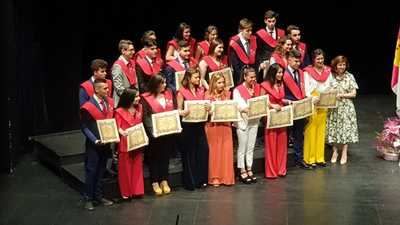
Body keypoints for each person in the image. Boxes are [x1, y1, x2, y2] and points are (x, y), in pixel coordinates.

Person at [80, 78, 115, 211]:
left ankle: (98, 196)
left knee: (101, 170)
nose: (108, 90)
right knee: (91, 171)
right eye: (105, 89)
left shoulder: (109, 103)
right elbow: (84, 127)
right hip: (94, 145)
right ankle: (88, 198)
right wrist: (95, 140)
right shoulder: (88, 106)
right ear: (97, 89)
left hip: (106, 143)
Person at [141, 75, 177, 195]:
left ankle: (164, 180)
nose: (165, 85)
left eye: (165, 82)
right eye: (162, 83)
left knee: (165, 157)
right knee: (154, 158)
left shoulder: (169, 94)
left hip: (167, 132)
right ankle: (155, 181)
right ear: (155, 85)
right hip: (154, 135)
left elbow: (174, 110)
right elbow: (146, 117)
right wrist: (153, 131)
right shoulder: (146, 98)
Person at [176, 68, 209, 190]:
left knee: (202, 151)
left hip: (200, 125)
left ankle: (201, 179)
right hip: (188, 127)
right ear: (189, 78)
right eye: (196, 77)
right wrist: (183, 112)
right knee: (190, 154)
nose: (198, 79)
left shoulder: (201, 90)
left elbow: (207, 104)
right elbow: (178, 110)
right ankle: (191, 182)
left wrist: (208, 107)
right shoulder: (181, 92)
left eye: (199, 77)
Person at [303, 49, 334, 167]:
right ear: (313, 60)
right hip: (313, 101)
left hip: (324, 100)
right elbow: (305, 89)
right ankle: (310, 158)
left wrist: (331, 92)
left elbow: (331, 84)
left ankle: (319, 157)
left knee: (321, 129)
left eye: (322, 58)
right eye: (318, 59)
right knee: (311, 129)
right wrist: (311, 97)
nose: (320, 61)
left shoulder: (327, 71)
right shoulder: (307, 72)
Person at [326, 55, 359, 165]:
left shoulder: (349, 76)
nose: (342, 67)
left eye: (344, 65)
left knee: (345, 130)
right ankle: (335, 151)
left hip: (346, 107)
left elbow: (354, 93)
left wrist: (342, 95)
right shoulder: (331, 77)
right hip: (334, 106)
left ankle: (344, 152)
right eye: (340, 64)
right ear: (335, 66)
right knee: (334, 129)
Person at [283, 49, 311, 169]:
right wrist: (287, 102)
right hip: (287, 107)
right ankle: (282, 162)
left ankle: (299, 159)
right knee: (285, 136)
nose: (298, 63)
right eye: (295, 61)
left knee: (299, 135)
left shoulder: (301, 73)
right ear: (288, 60)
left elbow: (303, 89)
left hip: (300, 107)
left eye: (299, 61)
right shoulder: (282, 74)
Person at [205, 73, 235, 186]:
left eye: (223, 82)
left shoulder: (227, 94)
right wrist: (209, 110)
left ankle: (226, 177)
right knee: (215, 152)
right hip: (213, 126)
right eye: (219, 83)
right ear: (213, 83)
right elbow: (206, 112)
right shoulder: (207, 95)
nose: (222, 85)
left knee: (226, 150)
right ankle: (215, 177)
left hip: (225, 125)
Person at [114, 88, 144, 200]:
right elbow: (117, 127)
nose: (138, 98)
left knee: (137, 166)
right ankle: (127, 193)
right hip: (125, 142)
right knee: (125, 168)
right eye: (136, 97)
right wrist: (122, 132)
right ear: (129, 98)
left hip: (137, 141)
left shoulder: (139, 108)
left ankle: (137, 191)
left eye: (138, 96)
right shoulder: (119, 111)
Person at [260, 63, 289, 178]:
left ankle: (281, 169)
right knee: (271, 144)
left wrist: (287, 102)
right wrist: (272, 105)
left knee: (282, 143)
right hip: (271, 117)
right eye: (278, 72)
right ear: (273, 73)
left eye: (282, 72)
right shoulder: (264, 85)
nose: (281, 75)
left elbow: (280, 98)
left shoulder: (281, 84)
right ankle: (271, 171)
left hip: (281, 116)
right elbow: (262, 100)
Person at [233, 66, 260, 184]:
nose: (253, 79)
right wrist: (247, 109)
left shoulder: (257, 88)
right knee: (242, 148)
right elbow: (238, 105)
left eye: (254, 77)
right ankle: (242, 170)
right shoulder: (237, 90)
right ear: (245, 77)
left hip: (254, 121)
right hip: (243, 122)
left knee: (250, 147)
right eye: (251, 77)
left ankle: (249, 168)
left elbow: (262, 101)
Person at [255, 10, 285, 82]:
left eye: (273, 21)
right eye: (269, 21)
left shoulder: (281, 32)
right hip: (266, 63)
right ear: (265, 21)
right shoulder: (259, 34)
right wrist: (260, 63)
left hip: (278, 62)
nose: (271, 23)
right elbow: (258, 51)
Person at [229, 18, 257, 85]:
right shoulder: (234, 42)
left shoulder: (253, 40)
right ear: (241, 30)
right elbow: (235, 65)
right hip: (240, 78)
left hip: (253, 77)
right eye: (247, 31)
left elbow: (256, 58)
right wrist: (244, 77)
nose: (250, 33)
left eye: (251, 30)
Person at [112, 39, 137, 107]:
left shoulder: (132, 63)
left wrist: (137, 96)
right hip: (123, 102)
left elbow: (136, 83)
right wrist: (132, 98)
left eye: (133, 49)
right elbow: (119, 88)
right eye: (131, 50)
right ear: (123, 51)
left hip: (134, 101)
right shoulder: (117, 66)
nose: (133, 52)